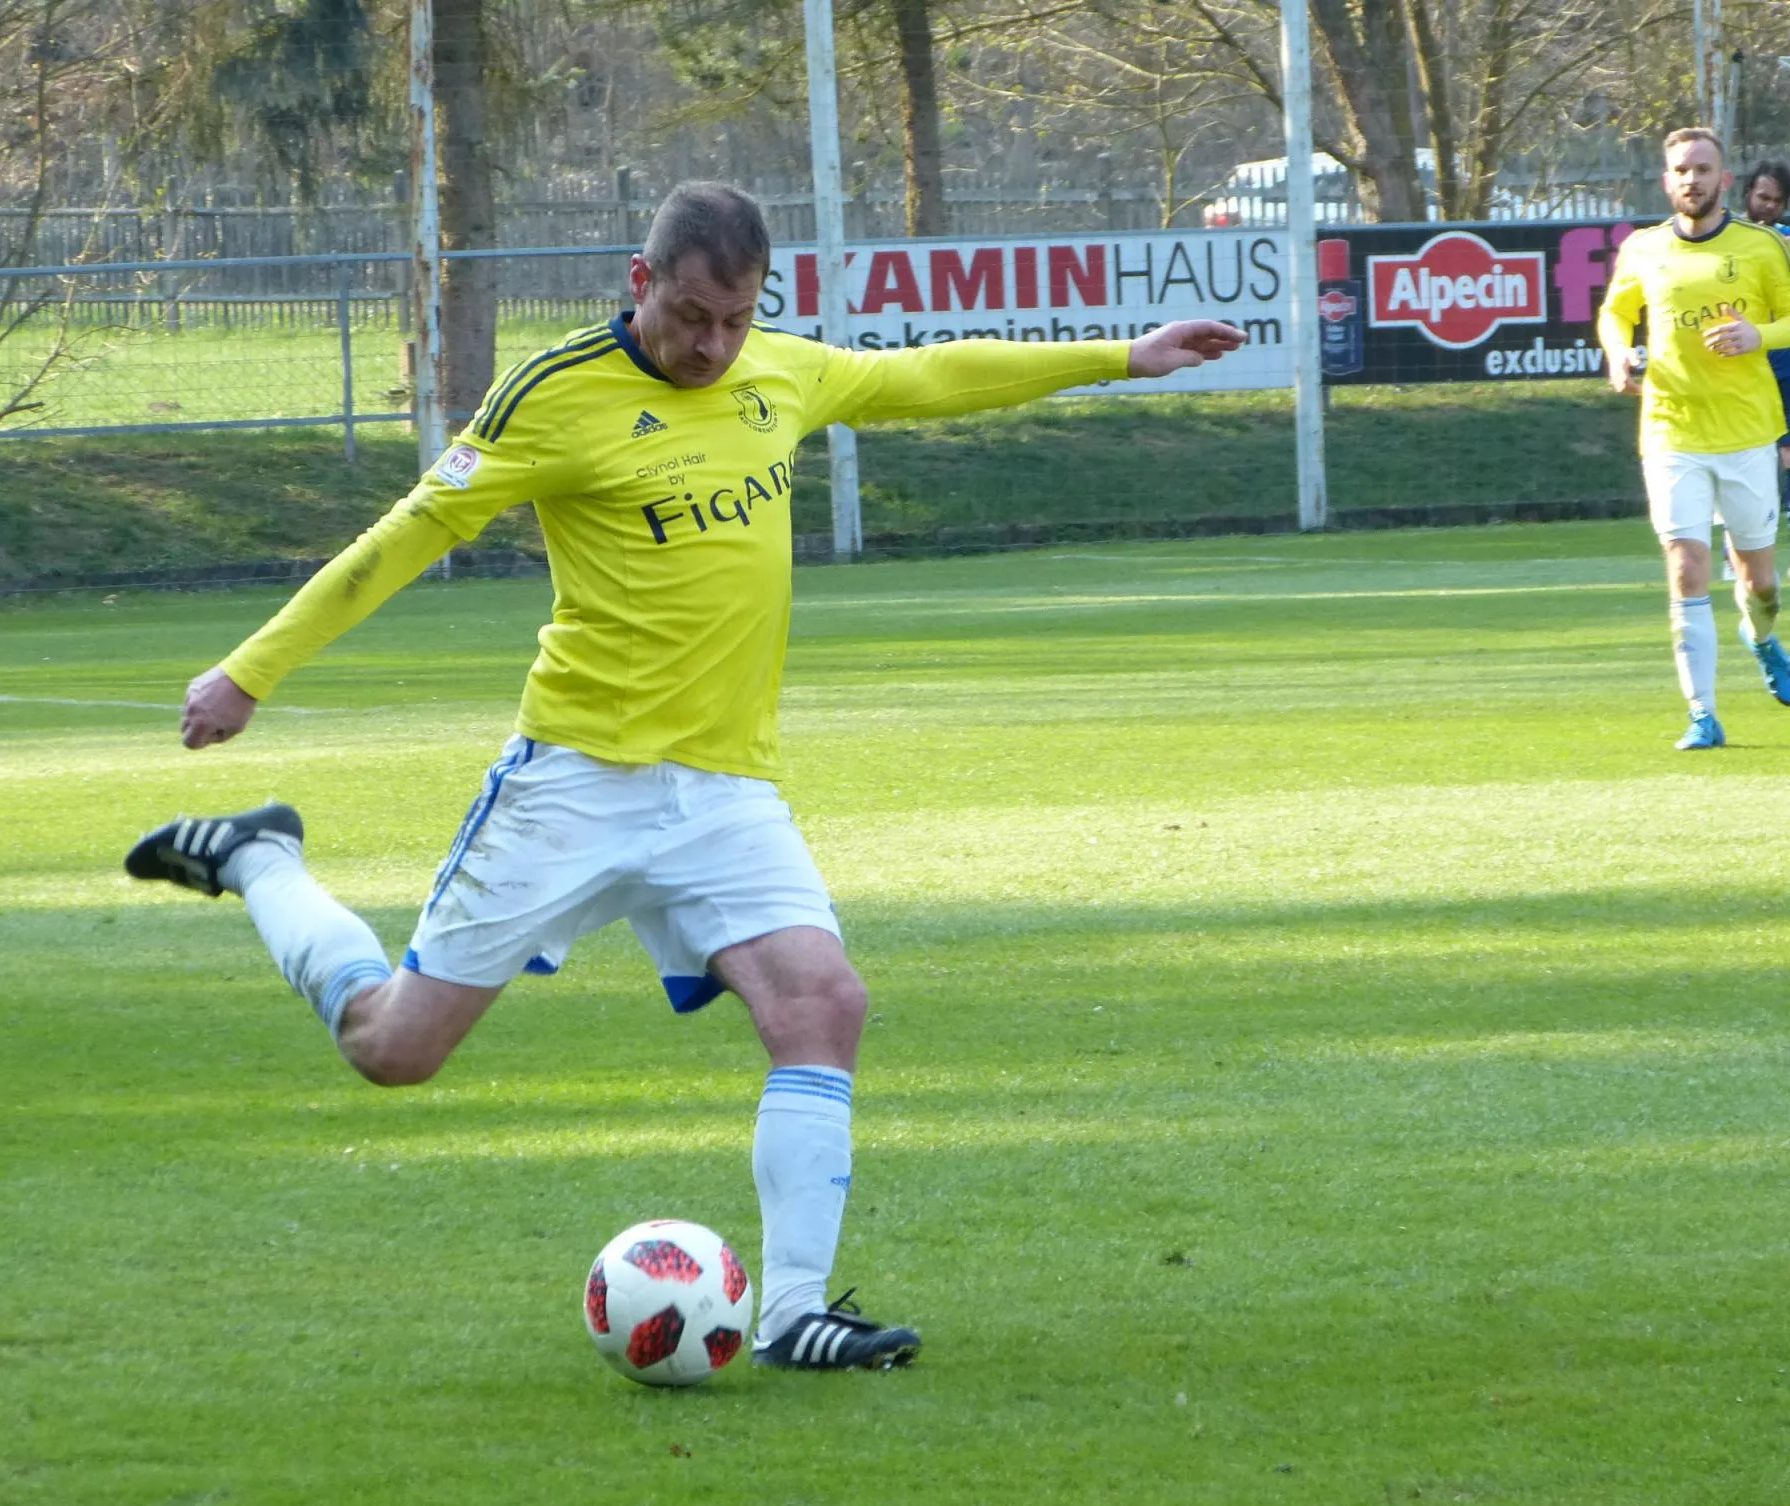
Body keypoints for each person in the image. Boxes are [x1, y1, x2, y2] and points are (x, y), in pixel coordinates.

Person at [124, 182, 1246, 1369]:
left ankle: (793, 1313)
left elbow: (924, 377)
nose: (713, 347)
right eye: (693, 316)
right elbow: (408, 533)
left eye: (736, 320)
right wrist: (250, 671)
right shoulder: (553, 396)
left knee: (822, 1004)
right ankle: (263, 860)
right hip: (574, 780)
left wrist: (1119, 356)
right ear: (640, 280)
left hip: (723, 790)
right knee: (392, 1049)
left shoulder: (778, 372)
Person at [1597, 129, 1790, 750]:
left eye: (1703, 169)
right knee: (1685, 566)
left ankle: (1761, 637)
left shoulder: (1763, 246)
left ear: (1724, 180)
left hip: (1746, 432)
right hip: (1670, 430)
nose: (1691, 179)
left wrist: (1757, 335)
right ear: (1666, 180)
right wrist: (1618, 352)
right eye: (1681, 170)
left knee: (1760, 584)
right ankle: (1703, 713)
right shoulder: (1644, 248)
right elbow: (1615, 312)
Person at [1740, 160, 1790, 514]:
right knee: (1746, 441)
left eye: (1778, 200)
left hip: (1783, 357)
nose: (1770, 206)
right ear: (1748, 195)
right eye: (1764, 197)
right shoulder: (1727, 238)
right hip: (1742, 360)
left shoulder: (1785, 239)